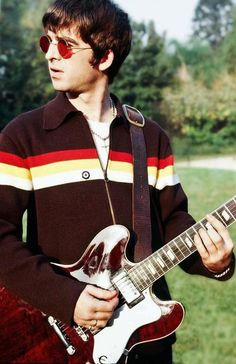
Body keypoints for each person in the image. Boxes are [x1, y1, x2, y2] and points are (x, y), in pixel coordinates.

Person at [0, 0, 234, 363]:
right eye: (47, 43)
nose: (51, 56)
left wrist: (214, 262)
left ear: (105, 58)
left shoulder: (150, 137)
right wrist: (66, 299)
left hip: (146, 343)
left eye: (65, 45)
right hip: (58, 338)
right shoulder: (24, 136)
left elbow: (174, 223)